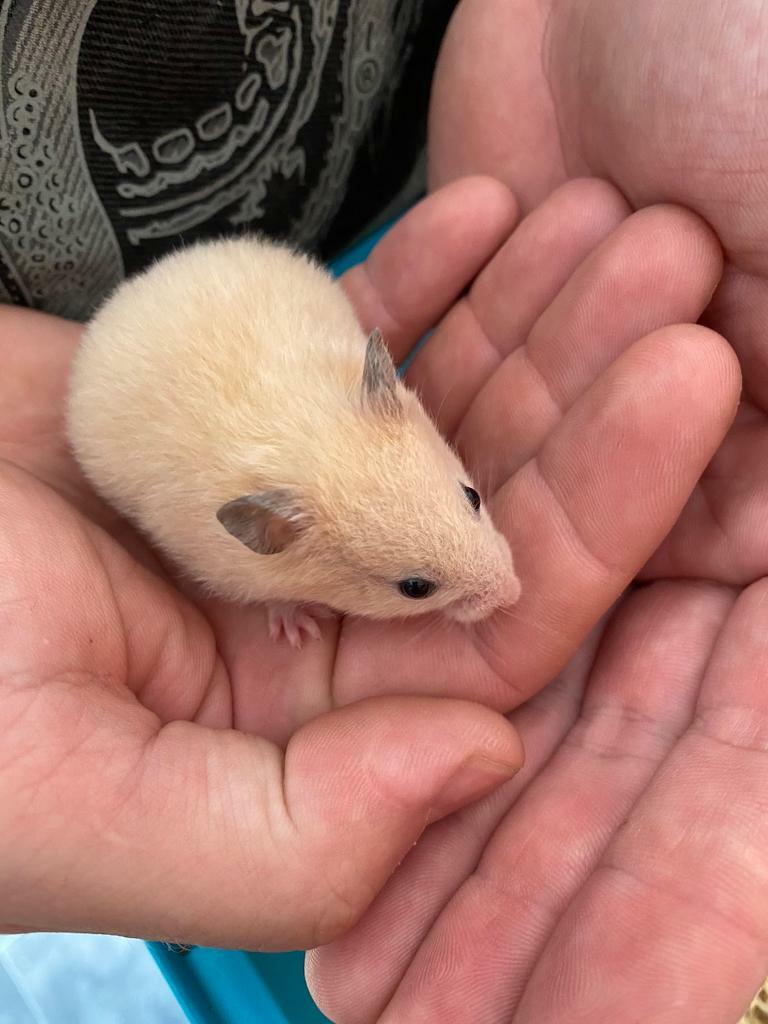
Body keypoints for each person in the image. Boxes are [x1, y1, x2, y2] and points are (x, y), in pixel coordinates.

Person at [0, 4, 765, 1024]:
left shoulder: (367, 389)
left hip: (398, 146)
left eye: (467, 504)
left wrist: (548, 33)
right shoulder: (245, 539)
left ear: (390, 390)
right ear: (275, 549)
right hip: (109, 355)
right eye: (419, 585)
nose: (500, 578)